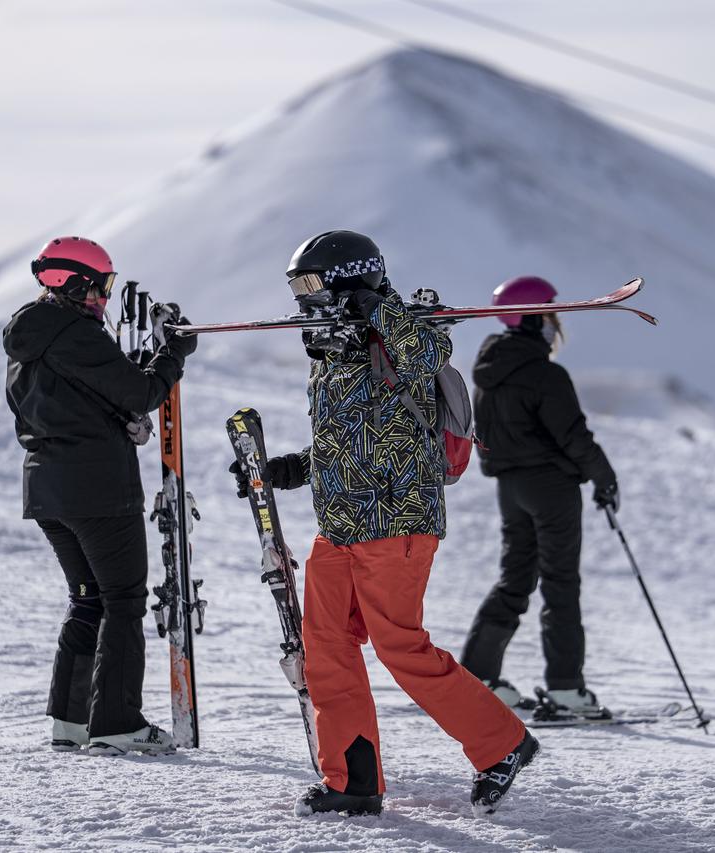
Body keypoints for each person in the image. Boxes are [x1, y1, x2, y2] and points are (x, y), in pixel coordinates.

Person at [230, 231, 539, 818]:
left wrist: (376, 307)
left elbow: (430, 353)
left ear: (351, 279)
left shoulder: (401, 335)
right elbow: (350, 441)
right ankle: (354, 781)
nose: (304, 300)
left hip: (397, 521)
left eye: (313, 285)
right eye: (297, 287)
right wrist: (291, 469)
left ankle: (503, 744)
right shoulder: (333, 356)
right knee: (325, 649)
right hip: (341, 524)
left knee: (401, 646)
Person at [2, 236, 198, 755]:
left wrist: (118, 417)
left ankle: (72, 722)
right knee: (123, 600)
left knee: (87, 599)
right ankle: (115, 722)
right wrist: (172, 354)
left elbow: (77, 403)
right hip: (99, 490)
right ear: (75, 283)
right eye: (101, 287)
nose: (104, 299)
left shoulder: (29, 340)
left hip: (48, 490)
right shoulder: (76, 335)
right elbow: (141, 392)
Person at [460, 276, 619, 716]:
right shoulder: (546, 375)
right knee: (560, 582)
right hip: (551, 488)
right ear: (533, 320)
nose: (556, 324)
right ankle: (566, 689)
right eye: (550, 314)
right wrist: (603, 478)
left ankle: (479, 676)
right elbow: (573, 436)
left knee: (515, 579)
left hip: (511, 490)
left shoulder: (488, 375)